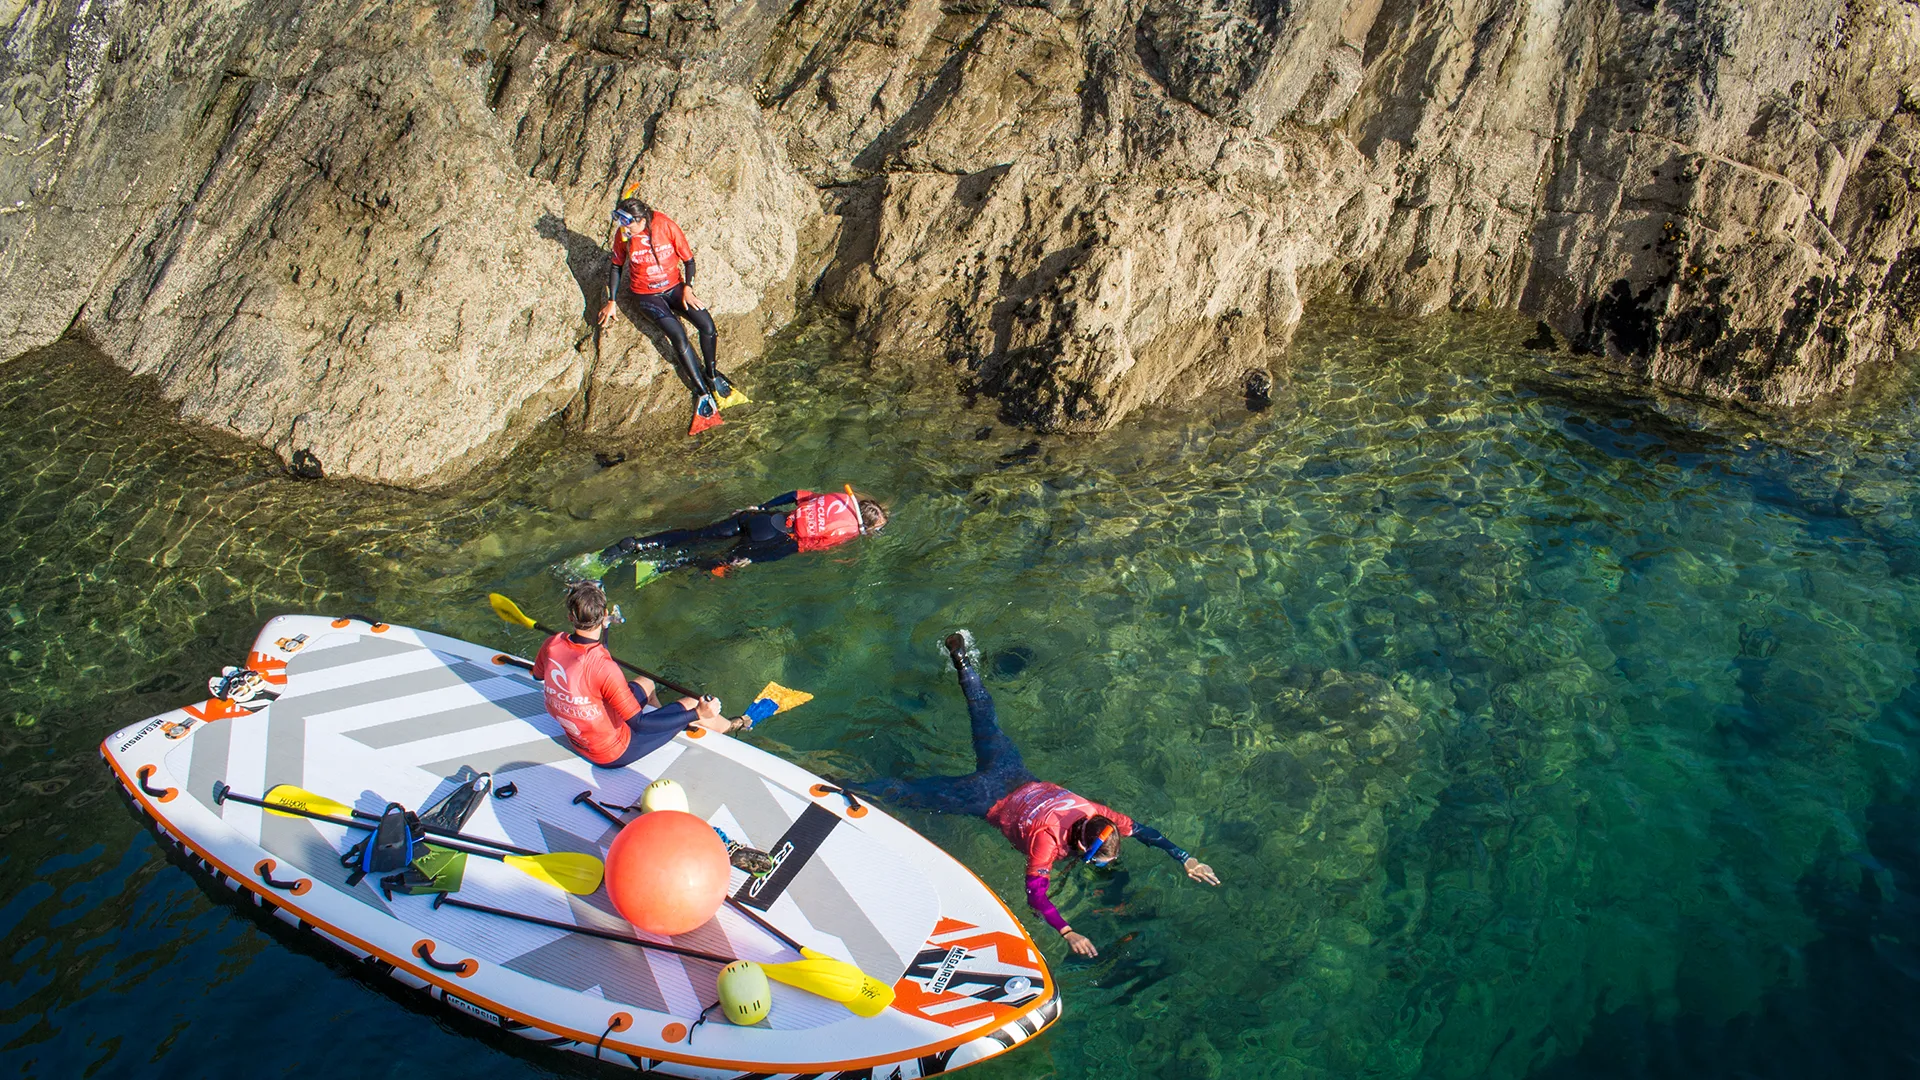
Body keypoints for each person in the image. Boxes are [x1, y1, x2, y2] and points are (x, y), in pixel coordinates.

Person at [854, 631, 1219, 957]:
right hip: (987, 797)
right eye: (1099, 861)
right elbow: (1035, 895)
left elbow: (1143, 832)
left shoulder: (1095, 813)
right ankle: (842, 786)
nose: (1103, 863)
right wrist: (1068, 932)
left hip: (1012, 772)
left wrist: (1185, 858)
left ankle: (962, 661)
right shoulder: (1047, 843)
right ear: (1082, 846)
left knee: (983, 714)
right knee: (907, 794)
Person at [533, 581, 740, 768]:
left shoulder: (553, 643)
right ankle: (735, 724)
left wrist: (605, 629)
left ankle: (667, 723)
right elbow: (639, 724)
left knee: (646, 683)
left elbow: (538, 675)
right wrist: (697, 714)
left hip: (577, 738)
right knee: (692, 703)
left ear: (571, 617)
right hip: (612, 752)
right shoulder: (604, 668)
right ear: (604, 613)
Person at [595, 193, 741, 434]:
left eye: (628, 224)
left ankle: (712, 375)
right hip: (647, 296)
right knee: (678, 336)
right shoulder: (623, 235)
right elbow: (616, 266)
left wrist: (688, 288)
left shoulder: (666, 226)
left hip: (674, 289)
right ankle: (702, 392)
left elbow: (689, 261)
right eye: (621, 223)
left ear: (642, 220)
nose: (624, 229)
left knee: (707, 326)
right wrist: (612, 301)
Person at [598, 487, 888, 575]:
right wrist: (756, 558)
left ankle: (635, 544)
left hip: (762, 519)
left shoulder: (835, 499)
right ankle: (662, 567)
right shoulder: (845, 532)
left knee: (697, 534)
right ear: (864, 525)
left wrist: (760, 507)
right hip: (772, 539)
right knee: (726, 561)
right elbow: (799, 547)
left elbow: (792, 494)